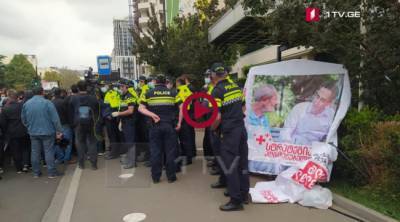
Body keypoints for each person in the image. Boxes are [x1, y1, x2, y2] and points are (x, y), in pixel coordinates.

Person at [210, 63, 249, 211]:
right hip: (240, 129)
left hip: (229, 132)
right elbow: (243, 107)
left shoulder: (217, 91)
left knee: (230, 165)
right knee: (242, 163)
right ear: (226, 73)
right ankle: (244, 194)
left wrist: (213, 129)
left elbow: (217, 116)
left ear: (213, 75)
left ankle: (235, 200)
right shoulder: (237, 87)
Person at [139, 75, 182, 183]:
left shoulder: (148, 93)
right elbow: (182, 108)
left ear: (155, 82)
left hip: (155, 126)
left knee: (155, 151)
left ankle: (156, 177)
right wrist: (179, 123)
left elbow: (140, 108)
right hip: (169, 126)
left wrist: (152, 114)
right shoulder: (173, 93)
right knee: (170, 151)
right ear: (165, 82)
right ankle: (171, 177)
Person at [21, 87, 63, 178]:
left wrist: (29, 127)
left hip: (33, 132)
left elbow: (23, 119)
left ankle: (36, 173)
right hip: (48, 131)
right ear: (42, 92)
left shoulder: (26, 104)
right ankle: (51, 172)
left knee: (35, 152)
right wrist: (59, 131)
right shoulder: (48, 103)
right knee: (48, 152)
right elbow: (55, 119)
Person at [0, 89, 30, 173]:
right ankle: (26, 165)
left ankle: (19, 168)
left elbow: (3, 122)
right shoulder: (22, 106)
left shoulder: (5, 108)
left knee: (15, 150)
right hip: (23, 130)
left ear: (9, 96)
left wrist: (6, 132)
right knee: (25, 148)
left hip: (12, 132)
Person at [73, 81, 100, 170]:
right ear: (87, 87)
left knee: (80, 143)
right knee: (92, 143)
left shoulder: (73, 99)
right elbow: (97, 110)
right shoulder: (93, 98)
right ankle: (94, 164)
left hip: (78, 124)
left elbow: (70, 111)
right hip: (91, 123)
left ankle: (81, 163)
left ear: (78, 88)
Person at [112, 80, 137, 169]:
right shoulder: (123, 96)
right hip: (125, 121)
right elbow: (123, 109)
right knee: (127, 142)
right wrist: (121, 121)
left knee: (130, 142)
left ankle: (132, 162)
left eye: (122, 87)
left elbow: (130, 111)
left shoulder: (130, 96)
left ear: (127, 87)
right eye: (120, 87)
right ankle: (130, 159)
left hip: (130, 122)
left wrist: (118, 114)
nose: (121, 88)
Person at [175, 77, 195, 165]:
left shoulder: (179, 91)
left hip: (184, 116)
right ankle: (190, 155)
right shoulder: (188, 90)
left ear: (179, 83)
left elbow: (181, 107)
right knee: (189, 137)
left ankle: (187, 158)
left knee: (184, 138)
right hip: (190, 115)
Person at [52, 88, 73, 164]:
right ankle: (67, 158)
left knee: (57, 142)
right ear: (61, 93)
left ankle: (60, 158)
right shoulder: (64, 102)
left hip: (55, 125)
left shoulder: (51, 103)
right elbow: (69, 113)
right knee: (67, 142)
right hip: (65, 124)